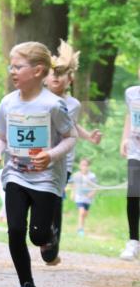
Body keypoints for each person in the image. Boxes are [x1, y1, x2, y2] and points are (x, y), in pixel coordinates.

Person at [0, 42, 77, 287]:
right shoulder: (7, 103)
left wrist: (51, 154)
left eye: (18, 66)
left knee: (37, 236)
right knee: (15, 229)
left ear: (38, 71)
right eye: (10, 66)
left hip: (46, 177)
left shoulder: (53, 105)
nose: (12, 71)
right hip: (15, 173)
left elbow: (70, 137)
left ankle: (48, 233)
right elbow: (0, 136)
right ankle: (26, 286)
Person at [43, 40, 102, 244]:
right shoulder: (38, 99)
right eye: (53, 72)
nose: (56, 77)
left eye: (62, 73)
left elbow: (72, 126)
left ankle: (52, 241)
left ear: (71, 79)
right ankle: (40, 230)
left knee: (55, 197)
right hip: (38, 157)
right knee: (41, 197)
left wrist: (89, 137)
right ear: (44, 77)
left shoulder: (73, 104)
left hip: (63, 160)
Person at [120, 71, 140, 260]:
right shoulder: (131, 93)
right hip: (136, 151)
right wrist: (124, 138)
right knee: (133, 192)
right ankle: (133, 241)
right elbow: (130, 116)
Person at [68, 158, 98, 237]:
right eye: (82, 165)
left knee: (85, 213)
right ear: (80, 166)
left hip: (88, 198)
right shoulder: (76, 175)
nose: (84, 167)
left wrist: (92, 193)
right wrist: (72, 193)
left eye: (86, 165)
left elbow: (95, 187)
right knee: (81, 212)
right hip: (79, 196)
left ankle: (82, 226)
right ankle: (80, 229)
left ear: (89, 166)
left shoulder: (92, 176)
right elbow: (72, 184)